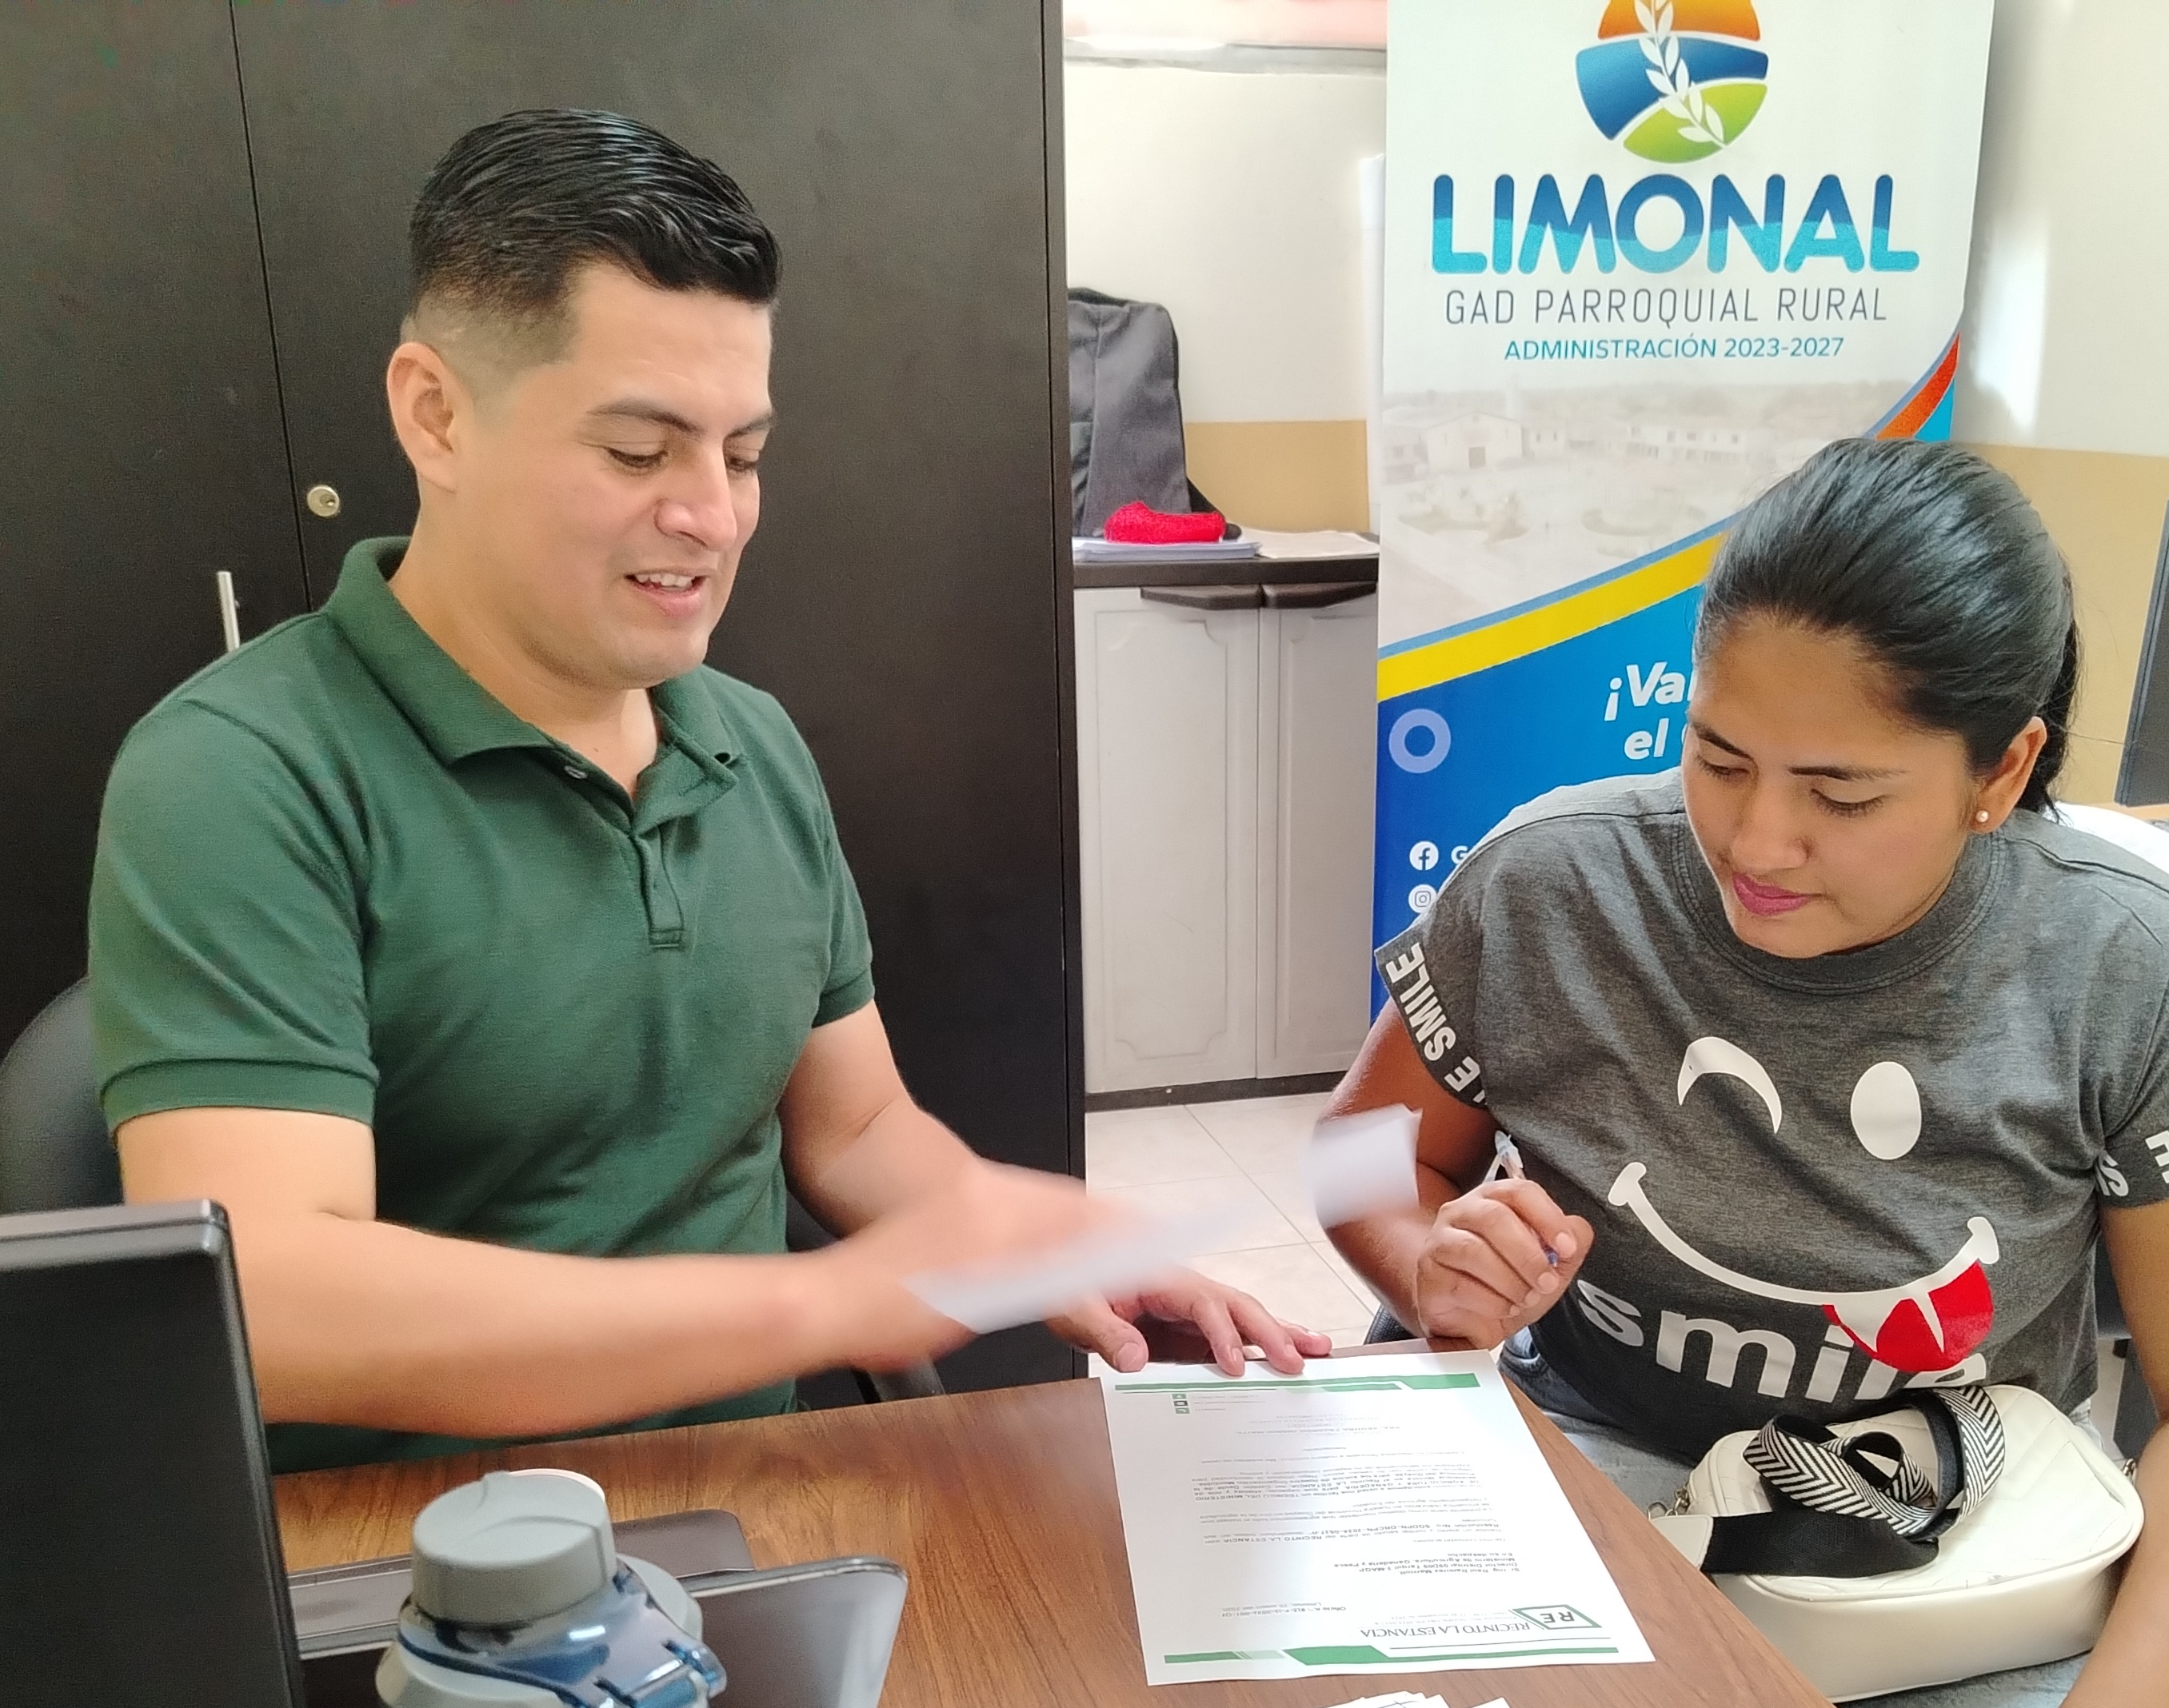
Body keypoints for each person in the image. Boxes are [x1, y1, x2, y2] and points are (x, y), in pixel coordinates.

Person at [90, 110, 1320, 1471]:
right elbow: (272, 1299)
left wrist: (1018, 1234)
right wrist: (823, 1304)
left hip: (758, 1506)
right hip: (424, 1551)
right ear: (436, 415)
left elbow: (856, 1128)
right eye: (638, 452)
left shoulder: (749, 744)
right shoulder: (241, 775)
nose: (714, 516)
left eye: (741, 455)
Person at [1323, 440, 2169, 1708]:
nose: (1758, 838)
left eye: (1841, 793)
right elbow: (1357, 1155)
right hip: (1580, 1488)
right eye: (1715, 756)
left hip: (1930, 1553)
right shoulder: (1558, 879)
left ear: (2002, 770)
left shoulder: (2123, 965)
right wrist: (1422, 1253)